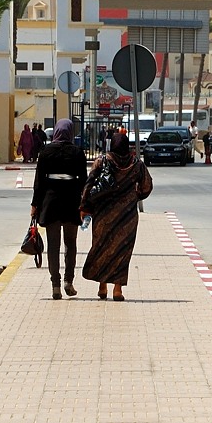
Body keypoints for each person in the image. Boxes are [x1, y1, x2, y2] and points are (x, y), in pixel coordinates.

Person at [79, 132, 153, 301]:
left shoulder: (101, 161)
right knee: (122, 251)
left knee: (101, 248)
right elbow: (147, 187)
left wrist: (84, 207)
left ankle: (102, 286)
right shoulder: (137, 165)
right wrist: (135, 197)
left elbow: (88, 185)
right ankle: (117, 290)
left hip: (103, 215)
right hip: (127, 217)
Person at [30, 119, 87, 300]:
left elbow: (39, 182)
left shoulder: (46, 152)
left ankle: (55, 285)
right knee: (70, 244)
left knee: (53, 246)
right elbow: (84, 181)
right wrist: (84, 204)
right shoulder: (77, 152)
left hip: (50, 203)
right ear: (70, 132)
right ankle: (68, 282)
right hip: (71, 203)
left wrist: (34, 205)